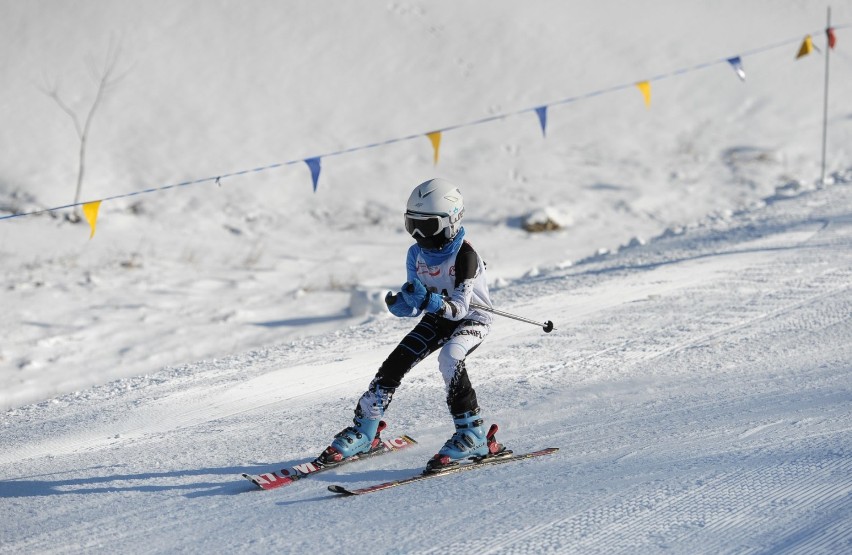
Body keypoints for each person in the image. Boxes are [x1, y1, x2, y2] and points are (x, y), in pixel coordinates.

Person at [318, 178, 501, 471]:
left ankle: (473, 433)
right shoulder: (416, 253)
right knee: (395, 362)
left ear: (451, 222)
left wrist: (426, 300)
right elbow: (416, 301)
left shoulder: (466, 256)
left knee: (450, 357)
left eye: (426, 226)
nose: (418, 234)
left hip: (471, 318)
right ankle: (366, 430)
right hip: (437, 318)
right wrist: (404, 304)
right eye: (411, 224)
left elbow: (458, 309)